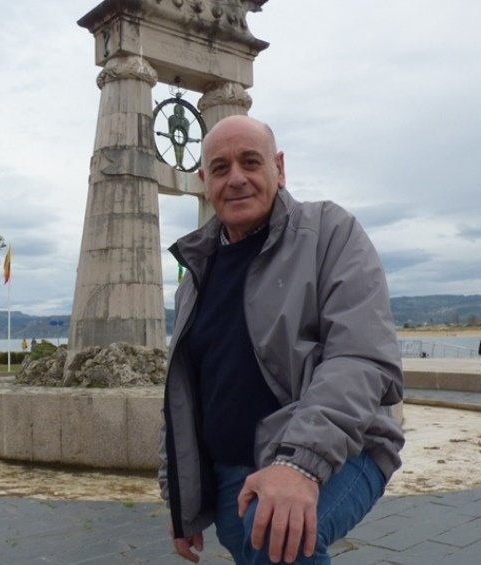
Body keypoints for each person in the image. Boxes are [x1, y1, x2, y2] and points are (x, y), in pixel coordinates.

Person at [160, 115, 404, 564]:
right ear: (203, 182)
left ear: (280, 168)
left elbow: (361, 358)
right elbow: (184, 390)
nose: (236, 178)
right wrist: (181, 498)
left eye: (251, 162)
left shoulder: (330, 231)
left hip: (344, 450)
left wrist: (298, 465)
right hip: (233, 474)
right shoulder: (196, 274)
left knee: (275, 538)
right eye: (220, 168)